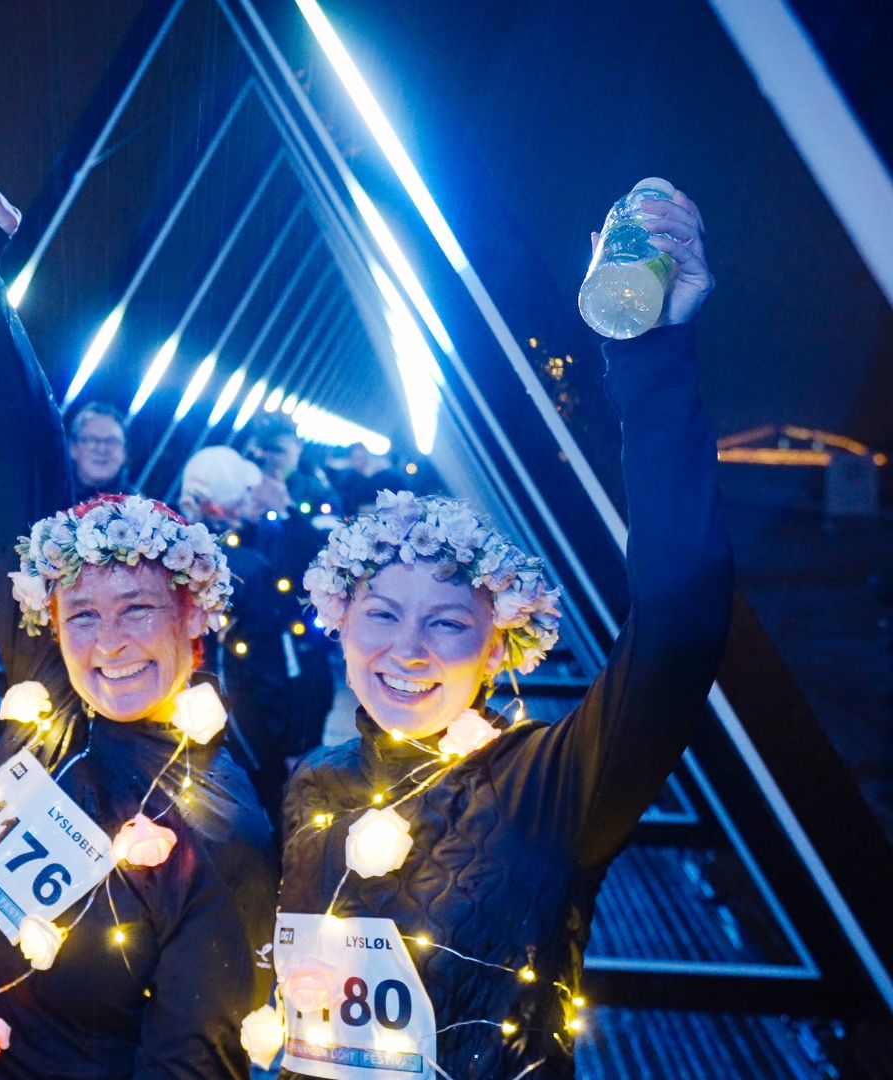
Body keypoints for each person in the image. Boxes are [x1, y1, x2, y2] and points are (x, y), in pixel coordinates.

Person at [269, 187, 730, 1078]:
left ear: (498, 645)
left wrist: (654, 351)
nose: (407, 650)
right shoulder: (313, 787)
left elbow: (680, 620)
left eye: (448, 623)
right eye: (382, 616)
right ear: (341, 626)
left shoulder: (546, 790)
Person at [0, 182, 277, 1078]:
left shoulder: (221, 830)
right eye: (82, 613)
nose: (108, 640)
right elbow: (15, 467)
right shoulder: (49, 691)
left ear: (194, 616)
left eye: (138, 611)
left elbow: (190, 1063)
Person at [179, 445, 297, 819]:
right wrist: (281, 743)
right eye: (244, 492)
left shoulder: (167, 554)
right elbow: (269, 669)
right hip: (244, 730)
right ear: (226, 501)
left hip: (183, 722)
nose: (252, 498)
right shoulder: (249, 568)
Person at [66, 401, 132, 497]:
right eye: (92, 440)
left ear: (124, 452)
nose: (102, 449)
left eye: (112, 441)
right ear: (73, 448)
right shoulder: (46, 495)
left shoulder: (139, 508)